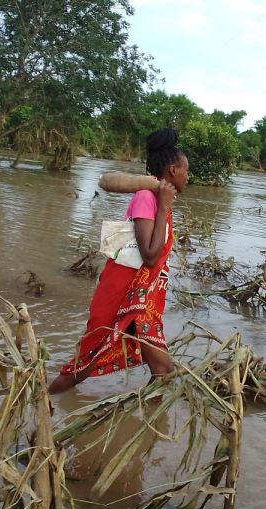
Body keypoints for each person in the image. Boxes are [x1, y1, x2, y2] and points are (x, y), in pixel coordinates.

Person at [48, 128, 189, 394]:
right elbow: (149, 256)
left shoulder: (156, 198)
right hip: (122, 296)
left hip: (140, 301)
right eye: (185, 170)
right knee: (84, 364)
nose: (187, 176)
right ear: (172, 170)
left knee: (164, 372)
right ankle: (43, 401)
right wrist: (164, 208)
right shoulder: (147, 198)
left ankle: (144, 425)